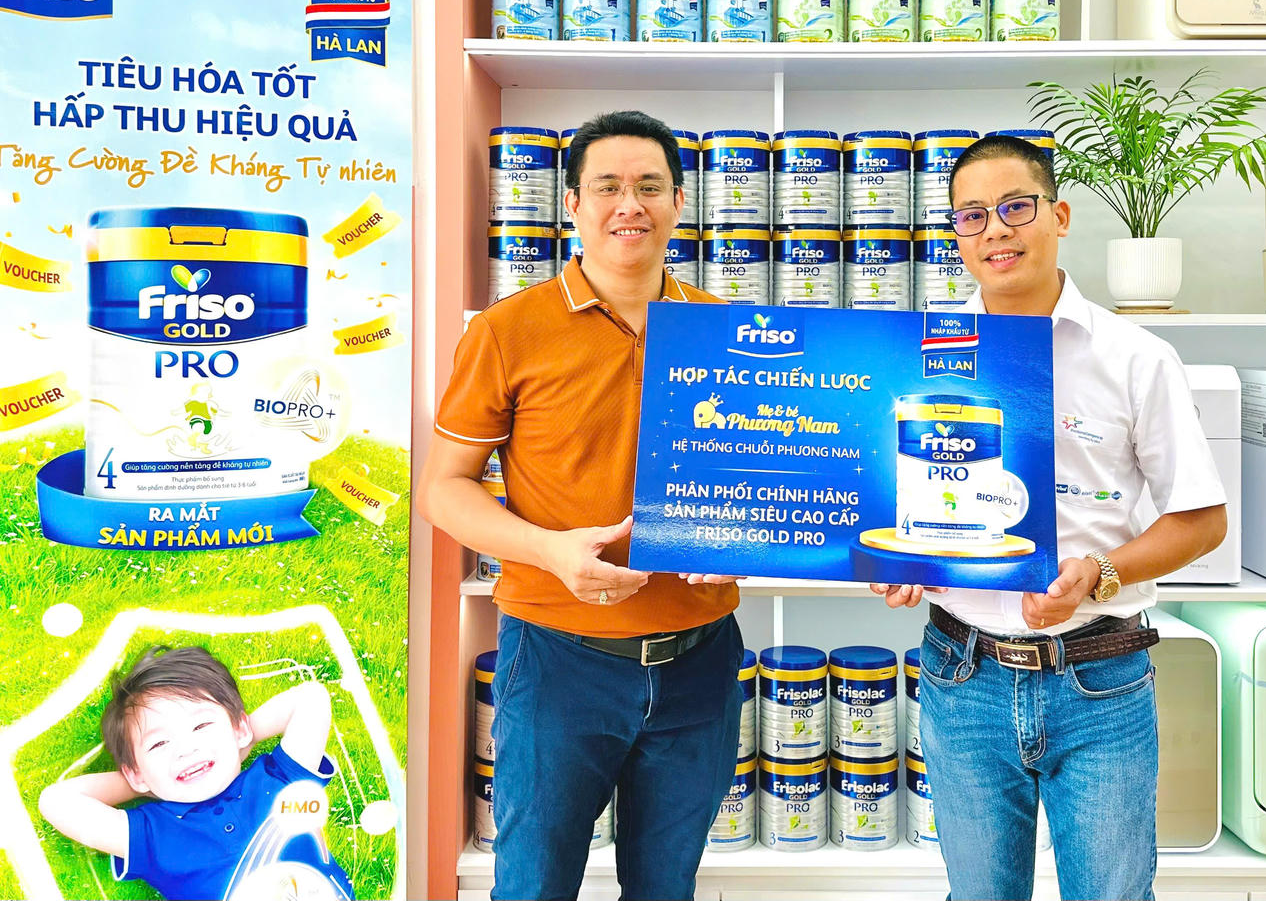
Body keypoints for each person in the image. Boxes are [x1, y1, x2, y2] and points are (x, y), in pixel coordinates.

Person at [871, 135, 1227, 901]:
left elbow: (1201, 521)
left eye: (1015, 207)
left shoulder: (1134, 357)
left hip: (1099, 681)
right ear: (955, 235)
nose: (994, 230)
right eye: (971, 215)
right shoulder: (919, 356)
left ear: (1058, 216)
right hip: (960, 675)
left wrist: (1098, 573)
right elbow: (902, 503)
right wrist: (900, 564)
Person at [419, 110, 744, 901]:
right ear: (572, 203)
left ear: (678, 203)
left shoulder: (728, 329)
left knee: (666, 887)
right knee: (533, 886)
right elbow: (442, 488)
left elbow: (764, 472)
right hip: (557, 662)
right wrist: (549, 550)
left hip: (700, 659)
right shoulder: (507, 330)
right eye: (607, 186)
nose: (628, 204)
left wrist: (741, 541)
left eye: (649, 186)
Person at [38, 646, 351, 901]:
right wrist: (146, 782)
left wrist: (241, 742)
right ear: (136, 773)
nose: (185, 750)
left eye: (201, 726)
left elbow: (310, 698)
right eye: (159, 744)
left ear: (238, 728)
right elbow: (56, 801)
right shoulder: (152, 833)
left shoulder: (279, 780)